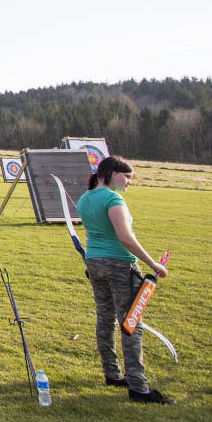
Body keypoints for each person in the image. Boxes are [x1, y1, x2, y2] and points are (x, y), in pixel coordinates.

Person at [77, 155, 174, 404]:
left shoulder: (86, 198)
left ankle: (112, 373)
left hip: (95, 263)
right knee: (132, 324)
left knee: (106, 319)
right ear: (110, 173)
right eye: (126, 176)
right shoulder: (112, 198)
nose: (129, 182)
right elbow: (125, 237)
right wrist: (153, 264)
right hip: (120, 265)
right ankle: (138, 387)